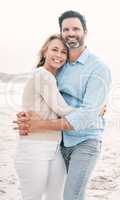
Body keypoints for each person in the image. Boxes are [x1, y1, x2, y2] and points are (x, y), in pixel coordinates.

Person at [14, 10, 112, 200]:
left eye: (76, 28)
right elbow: (48, 100)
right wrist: (28, 114)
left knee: (71, 196)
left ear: (85, 32)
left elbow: (84, 115)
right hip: (59, 143)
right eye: (66, 29)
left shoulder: (98, 68)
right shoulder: (60, 65)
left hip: (85, 140)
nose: (71, 33)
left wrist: (94, 111)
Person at [15, 34, 75, 200]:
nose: (59, 55)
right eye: (54, 49)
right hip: (34, 147)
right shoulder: (43, 75)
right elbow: (63, 109)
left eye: (64, 52)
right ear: (44, 52)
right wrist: (94, 110)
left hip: (55, 148)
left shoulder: (54, 79)